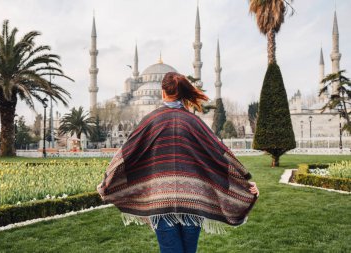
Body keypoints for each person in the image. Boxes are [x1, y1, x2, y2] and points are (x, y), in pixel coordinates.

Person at [97, 72, 259, 253]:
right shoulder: (194, 122)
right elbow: (220, 154)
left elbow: (127, 153)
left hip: (161, 201)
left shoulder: (151, 121)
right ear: (183, 93)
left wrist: (107, 180)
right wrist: (244, 183)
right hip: (192, 201)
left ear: (162, 92)